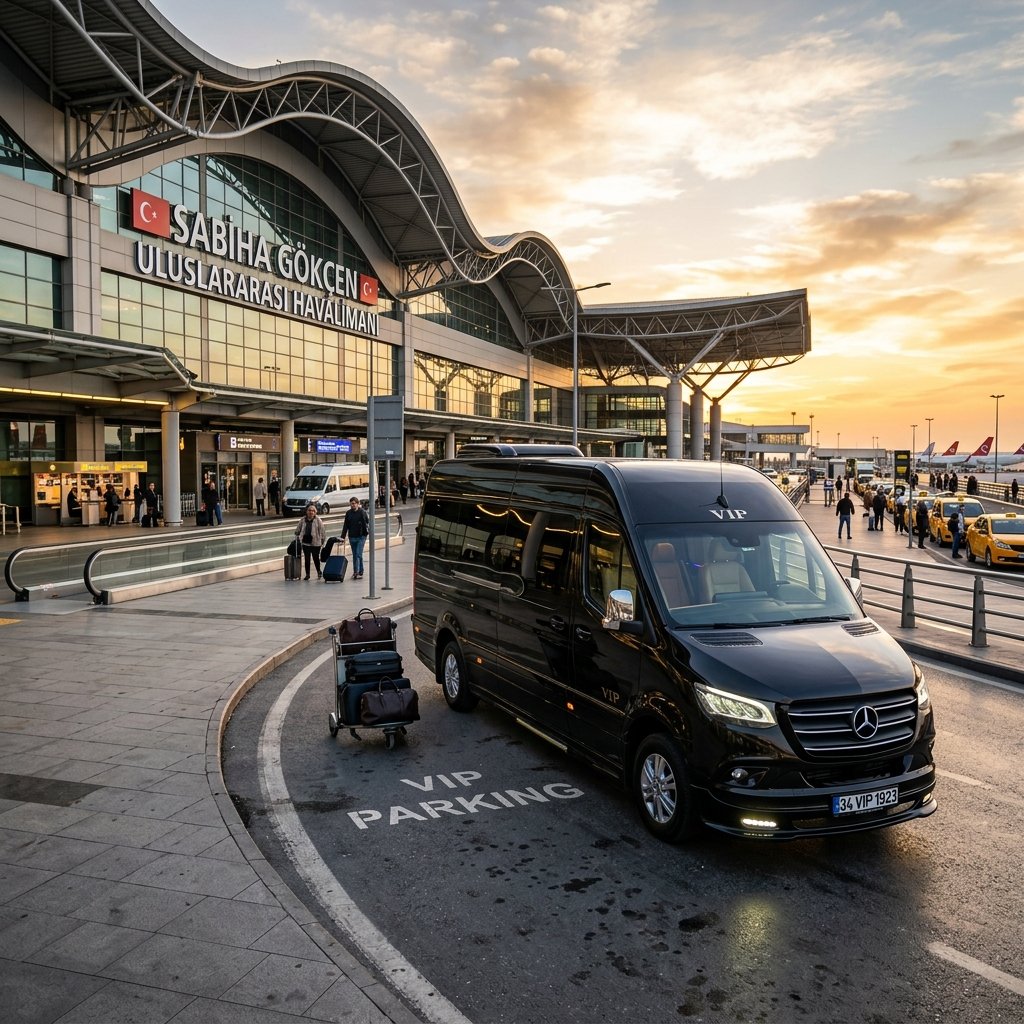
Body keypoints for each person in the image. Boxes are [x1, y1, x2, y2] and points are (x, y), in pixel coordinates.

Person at [340, 495, 370, 580]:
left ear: (358, 504)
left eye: (354, 503)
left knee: (357, 554)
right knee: (356, 555)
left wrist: (366, 533)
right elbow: (345, 525)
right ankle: (360, 570)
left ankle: (356, 572)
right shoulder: (348, 513)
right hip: (352, 536)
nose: (352, 505)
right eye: (351, 504)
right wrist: (343, 537)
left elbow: (367, 523)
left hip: (361, 536)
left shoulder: (362, 512)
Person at [294, 503, 326, 580]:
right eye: (309, 510)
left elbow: (322, 532)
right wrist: (298, 534)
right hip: (305, 542)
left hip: (316, 543)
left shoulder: (318, 520)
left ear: (315, 512)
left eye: (312, 511)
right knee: (307, 559)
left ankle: (319, 571)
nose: (311, 512)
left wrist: (322, 542)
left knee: (316, 558)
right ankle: (307, 574)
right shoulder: (302, 520)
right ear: (306, 511)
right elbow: (297, 530)